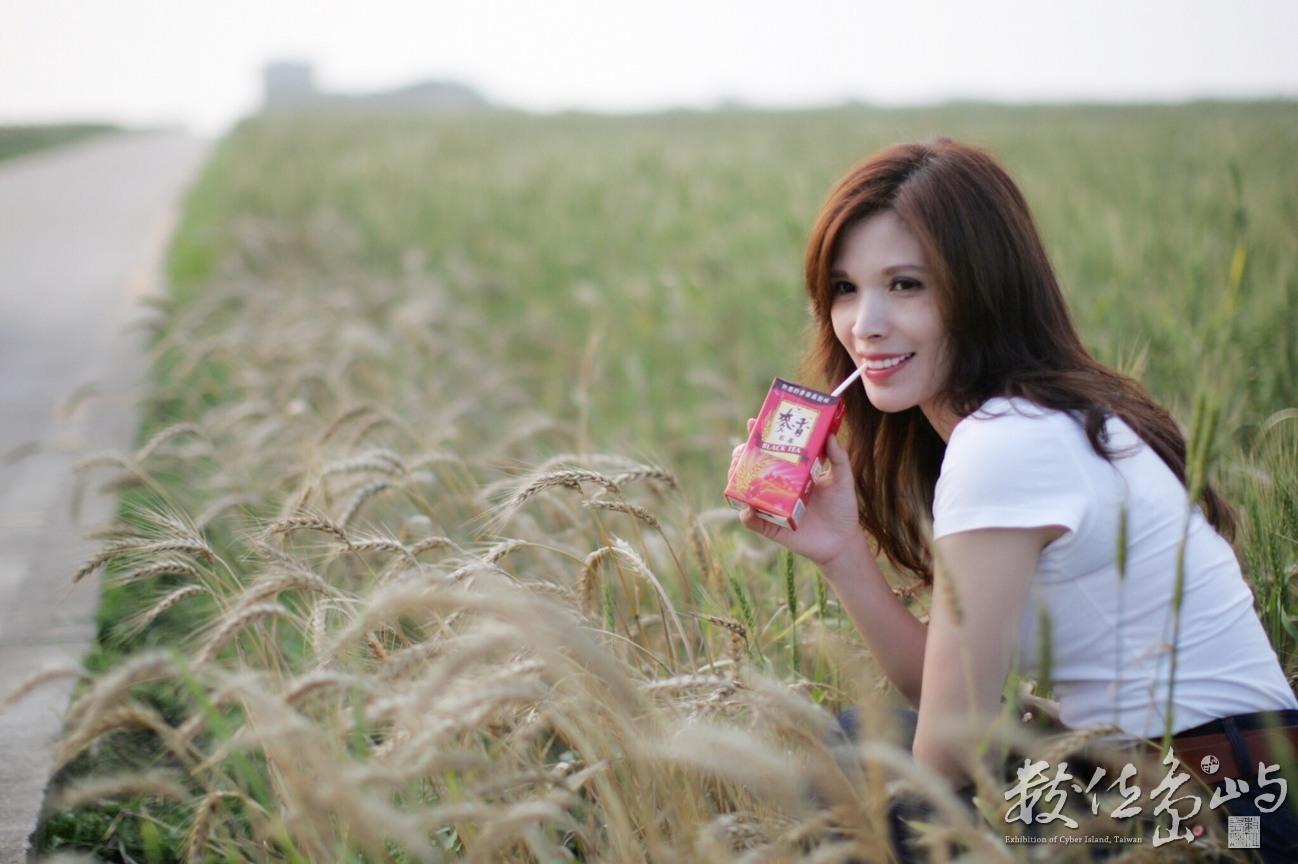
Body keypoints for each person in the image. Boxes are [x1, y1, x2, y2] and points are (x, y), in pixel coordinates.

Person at [730, 138, 1298, 860]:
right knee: (869, 740)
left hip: (1223, 821)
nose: (863, 324)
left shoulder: (1005, 441)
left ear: (982, 288)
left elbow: (941, 761)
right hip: (1200, 785)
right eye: (845, 288)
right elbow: (945, 699)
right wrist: (843, 552)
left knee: (860, 768)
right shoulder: (1032, 421)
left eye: (905, 284)